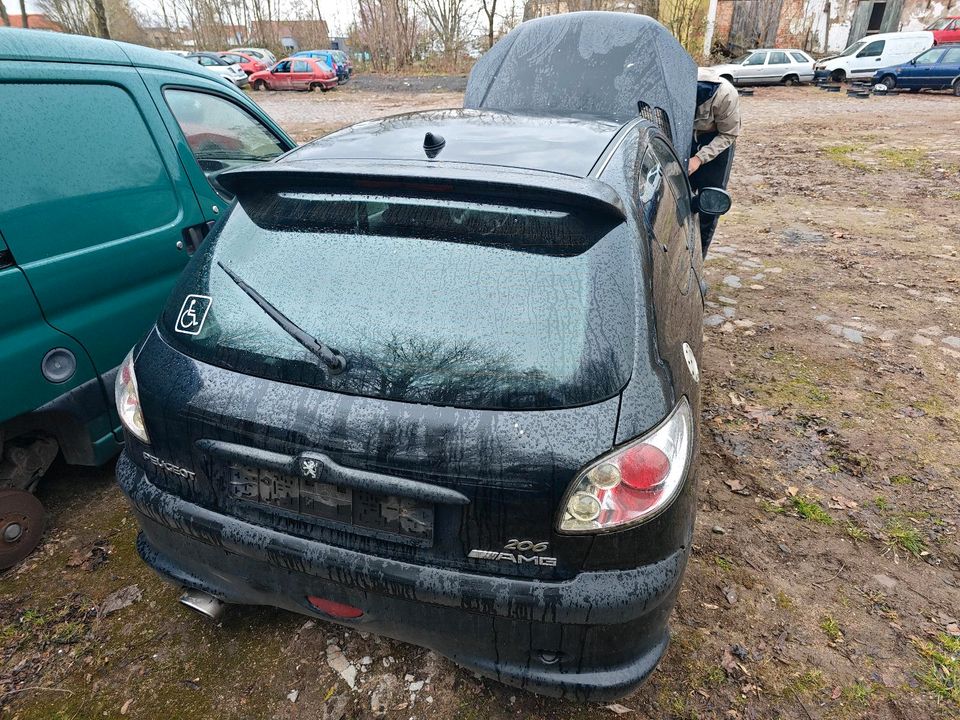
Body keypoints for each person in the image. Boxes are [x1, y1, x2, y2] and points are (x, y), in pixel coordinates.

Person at [689, 67, 740, 256]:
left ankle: (699, 255)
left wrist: (698, 159)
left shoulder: (726, 95)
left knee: (710, 200)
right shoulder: (674, 86)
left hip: (716, 138)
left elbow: (729, 134)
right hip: (684, 136)